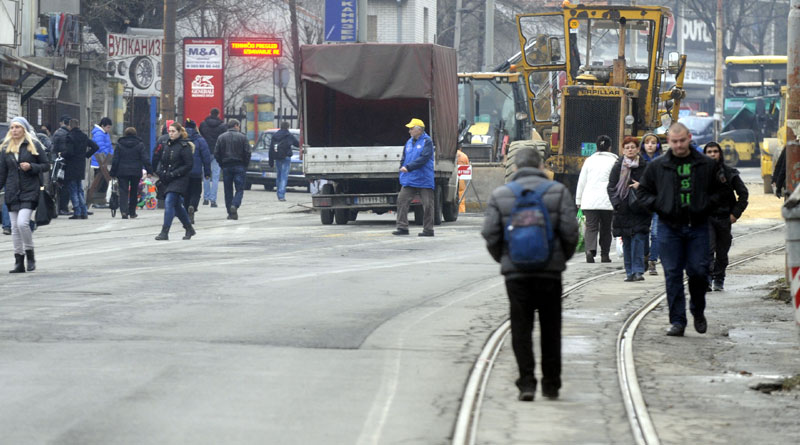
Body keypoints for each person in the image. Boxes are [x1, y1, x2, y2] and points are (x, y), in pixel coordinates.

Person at [481, 147, 578, 401]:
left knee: (520, 328)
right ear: (541, 165)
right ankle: (551, 384)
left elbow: (490, 234)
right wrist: (558, 259)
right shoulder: (558, 192)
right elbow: (571, 233)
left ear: (514, 167)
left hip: (516, 273)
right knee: (551, 327)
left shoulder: (501, 194)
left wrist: (505, 259)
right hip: (550, 273)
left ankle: (526, 383)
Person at [637, 122, 722, 336]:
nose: (678, 145)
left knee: (698, 271)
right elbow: (643, 192)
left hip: (697, 227)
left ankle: (698, 310)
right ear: (669, 141)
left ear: (689, 138)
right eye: (674, 142)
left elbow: (720, 192)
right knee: (673, 274)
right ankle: (677, 321)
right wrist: (659, 206)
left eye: (682, 141)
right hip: (669, 227)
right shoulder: (658, 166)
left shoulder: (706, 165)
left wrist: (705, 206)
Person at [0, 117, 50, 273]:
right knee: (14, 227)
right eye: (12, 127)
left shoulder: (33, 145)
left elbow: (46, 165)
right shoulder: (5, 148)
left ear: (24, 129)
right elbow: (2, 172)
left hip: (30, 190)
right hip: (12, 191)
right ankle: (18, 260)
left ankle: (30, 254)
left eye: (18, 127)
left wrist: (31, 166)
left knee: (22, 223)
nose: (14, 130)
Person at [703, 141, 748, 291]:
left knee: (722, 253)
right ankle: (707, 279)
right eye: (709, 152)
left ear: (719, 153)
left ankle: (719, 278)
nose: (712, 154)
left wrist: (735, 214)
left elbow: (743, 194)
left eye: (715, 151)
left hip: (724, 218)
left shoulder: (729, 173)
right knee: (707, 250)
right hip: (706, 218)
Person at [608, 136, 650, 282]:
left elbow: (652, 186)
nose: (630, 150)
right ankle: (629, 272)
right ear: (623, 150)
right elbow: (611, 187)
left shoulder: (645, 166)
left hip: (640, 209)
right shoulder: (617, 166)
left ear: (638, 149)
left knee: (638, 240)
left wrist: (641, 186)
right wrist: (617, 204)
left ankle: (638, 271)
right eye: (627, 147)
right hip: (623, 210)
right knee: (626, 241)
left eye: (633, 147)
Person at [575, 134, 617, 263]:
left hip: (590, 200)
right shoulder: (614, 161)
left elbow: (582, 181)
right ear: (610, 147)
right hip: (607, 201)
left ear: (596, 147)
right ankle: (605, 255)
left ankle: (590, 251)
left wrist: (578, 200)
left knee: (591, 226)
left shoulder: (589, 160)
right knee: (606, 228)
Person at [393, 118, 436, 237]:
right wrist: (402, 167)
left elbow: (424, 158)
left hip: (424, 179)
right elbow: (404, 158)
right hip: (409, 178)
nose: (409, 131)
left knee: (428, 205)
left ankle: (428, 230)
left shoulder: (427, 141)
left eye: (411, 128)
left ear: (419, 130)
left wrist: (409, 167)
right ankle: (402, 227)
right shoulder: (408, 142)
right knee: (402, 201)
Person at [155, 122, 196, 240]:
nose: (171, 134)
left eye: (173, 131)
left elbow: (189, 165)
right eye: (169, 131)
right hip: (167, 179)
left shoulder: (184, 146)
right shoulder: (167, 145)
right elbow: (162, 161)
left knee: (169, 202)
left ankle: (164, 232)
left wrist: (174, 173)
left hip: (179, 179)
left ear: (179, 132)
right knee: (177, 206)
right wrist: (160, 172)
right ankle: (189, 228)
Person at [110, 127, 153, 219]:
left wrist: (113, 172)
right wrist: (149, 170)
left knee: (123, 191)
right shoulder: (140, 145)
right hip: (135, 171)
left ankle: (124, 212)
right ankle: (132, 212)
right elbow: (145, 158)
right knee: (134, 191)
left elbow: (115, 160)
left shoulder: (119, 144)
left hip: (122, 171)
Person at [214, 119, 251, 220]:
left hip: (226, 166)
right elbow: (247, 152)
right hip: (239, 165)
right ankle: (235, 205)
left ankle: (230, 212)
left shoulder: (221, 137)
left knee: (228, 190)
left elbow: (216, 153)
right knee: (239, 189)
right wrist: (245, 165)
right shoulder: (243, 137)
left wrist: (221, 164)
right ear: (236, 126)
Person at [63, 119, 99, 219]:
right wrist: (86, 155)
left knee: (73, 189)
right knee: (79, 189)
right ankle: (84, 211)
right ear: (78, 125)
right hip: (80, 164)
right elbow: (95, 147)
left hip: (71, 165)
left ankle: (77, 212)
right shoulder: (83, 136)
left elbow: (69, 152)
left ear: (70, 126)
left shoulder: (70, 137)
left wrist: (62, 154)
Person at [639, 133, 663, 275]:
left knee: (655, 233)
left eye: (653, 143)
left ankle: (652, 261)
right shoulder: (638, 161)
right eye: (647, 142)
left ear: (658, 145)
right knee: (643, 233)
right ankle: (645, 255)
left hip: (658, 202)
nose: (650, 145)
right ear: (643, 145)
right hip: (642, 202)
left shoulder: (663, 161)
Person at [183, 119, 211, 222]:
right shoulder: (200, 140)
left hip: (183, 172)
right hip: (196, 172)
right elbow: (206, 157)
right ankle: (193, 206)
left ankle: (186, 213)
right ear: (195, 128)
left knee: (186, 193)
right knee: (196, 192)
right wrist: (207, 172)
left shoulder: (181, 139)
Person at [200, 108, 226, 207]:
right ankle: (213, 200)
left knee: (206, 175)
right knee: (215, 176)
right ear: (218, 114)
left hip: (206, 151)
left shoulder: (203, 124)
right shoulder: (222, 126)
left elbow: (202, 134)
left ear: (210, 113)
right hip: (217, 152)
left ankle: (205, 198)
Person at [268, 121, 299, 201]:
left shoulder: (275, 135)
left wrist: (270, 161)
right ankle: (281, 195)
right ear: (288, 127)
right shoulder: (289, 135)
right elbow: (297, 144)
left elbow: (271, 148)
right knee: (284, 177)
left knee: (279, 175)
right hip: (286, 157)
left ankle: (278, 194)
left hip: (277, 157)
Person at [90, 117, 114, 208]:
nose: (109, 129)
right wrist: (108, 154)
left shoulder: (105, 133)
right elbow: (101, 147)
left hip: (105, 160)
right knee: (99, 182)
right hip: (99, 161)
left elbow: (109, 145)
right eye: (108, 127)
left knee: (103, 181)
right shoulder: (99, 134)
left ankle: (101, 200)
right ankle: (97, 200)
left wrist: (111, 154)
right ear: (103, 126)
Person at [51, 115, 72, 215]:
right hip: (67, 163)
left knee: (60, 185)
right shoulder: (68, 134)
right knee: (65, 186)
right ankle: (63, 207)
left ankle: (60, 207)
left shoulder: (57, 133)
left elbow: (53, 148)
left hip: (59, 163)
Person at [457, 145, 470, 213]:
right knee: (461, 194)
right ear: (460, 148)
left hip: (451, 177)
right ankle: (461, 211)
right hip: (461, 177)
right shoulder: (464, 156)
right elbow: (467, 166)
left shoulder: (451, 154)